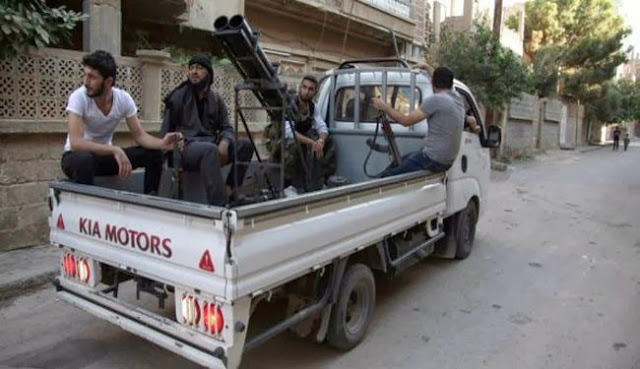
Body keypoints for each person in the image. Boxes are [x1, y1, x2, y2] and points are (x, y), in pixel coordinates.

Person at [61, 50, 180, 194]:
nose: (86, 82)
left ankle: (150, 198)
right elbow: (76, 143)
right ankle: (89, 205)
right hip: (76, 158)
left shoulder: (123, 99)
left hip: (105, 159)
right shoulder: (79, 97)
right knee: (84, 159)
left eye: (92, 77)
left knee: (154, 154)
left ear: (108, 81)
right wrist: (114, 149)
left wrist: (162, 143)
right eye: (85, 75)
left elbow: (140, 136)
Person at [161, 54, 254, 206]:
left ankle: (230, 190)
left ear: (209, 74)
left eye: (199, 68)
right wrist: (171, 159)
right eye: (191, 68)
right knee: (209, 150)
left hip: (210, 145)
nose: (194, 72)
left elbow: (226, 127)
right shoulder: (177, 98)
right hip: (185, 148)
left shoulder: (216, 99)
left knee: (245, 145)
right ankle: (220, 204)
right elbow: (165, 133)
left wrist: (224, 142)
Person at [370, 66, 465, 177]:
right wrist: (426, 67)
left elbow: (405, 121)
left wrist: (384, 106)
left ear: (433, 82)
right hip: (446, 161)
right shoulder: (456, 96)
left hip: (433, 159)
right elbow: (438, 80)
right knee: (400, 161)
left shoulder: (436, 100)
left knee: (386, 177)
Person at [265, 75, 335, 192]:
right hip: (281, 140)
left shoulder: (313, 107)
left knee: (330, 141)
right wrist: (312, 142)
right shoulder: (290, 104)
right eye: (304, 87)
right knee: (295, 147)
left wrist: (321, 141)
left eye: (310, 89)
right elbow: (288, 132)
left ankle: (323, 179)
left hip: (300, 138)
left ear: (315, 92)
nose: (306, 91)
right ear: (300, 88)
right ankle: (285, 186)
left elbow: (322, 127)